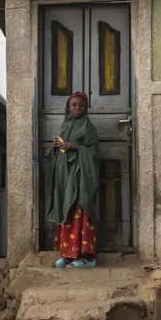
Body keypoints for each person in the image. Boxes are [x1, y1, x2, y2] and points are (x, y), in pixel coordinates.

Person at [45, 91, 101, 269]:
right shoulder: (65, 125)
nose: (78, 108)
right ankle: (68, 255)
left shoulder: (88, 127)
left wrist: (75, 146)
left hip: (81, 177)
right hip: (66, 177)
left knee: (80, 209)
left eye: (81, 105)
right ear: (68, 107)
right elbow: (63, 149)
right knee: (66, 210)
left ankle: (86, 257)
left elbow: (94, 152)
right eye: (74, 105)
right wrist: (57, 147)